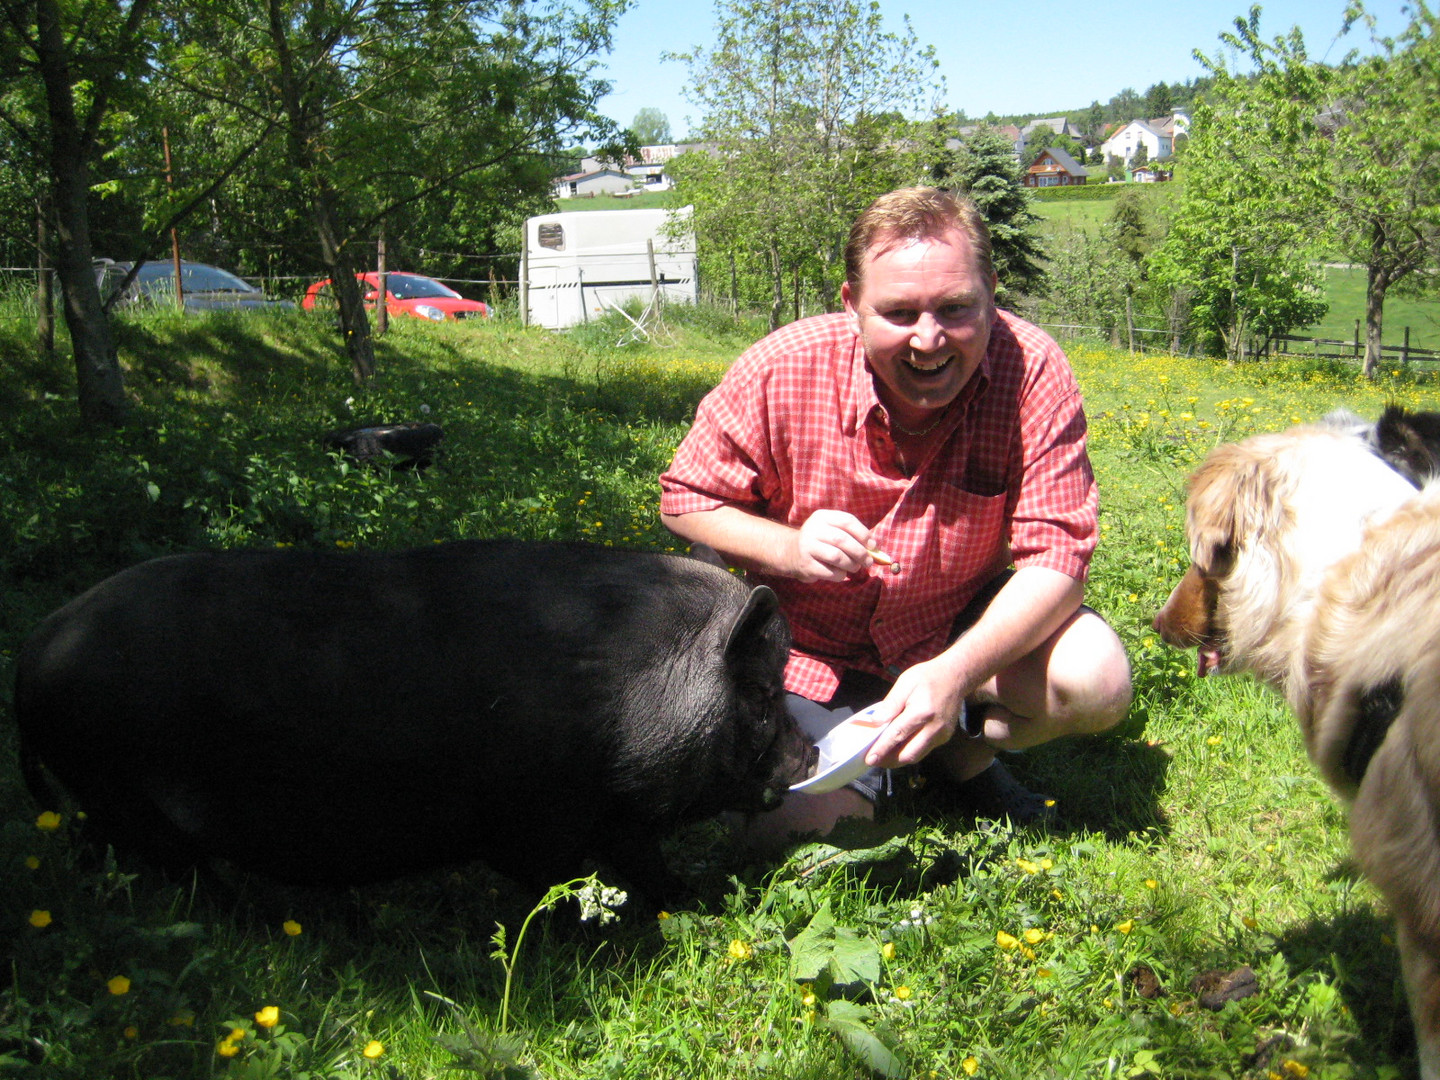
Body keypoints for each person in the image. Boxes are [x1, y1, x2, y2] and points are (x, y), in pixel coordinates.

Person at [658, 187, 1132, 849]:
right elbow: (685, 500)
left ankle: (961, 757)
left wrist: (955, 673)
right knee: (800, 836)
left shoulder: (1035, 371)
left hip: (953, 632)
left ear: (992, 292)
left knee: (1096, 680)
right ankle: (889, 759)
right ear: (852, 305)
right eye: (900, 312)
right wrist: (790, 549)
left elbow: (1059, 561)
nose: (930, 339)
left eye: (957, 308)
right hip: (812, 653)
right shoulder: (780, 369)